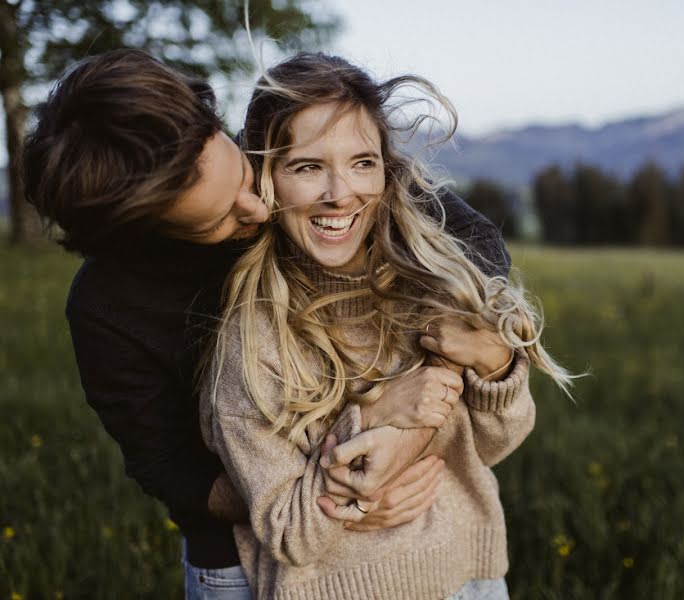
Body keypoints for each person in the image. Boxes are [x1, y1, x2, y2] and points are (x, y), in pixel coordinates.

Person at [22, 48, 511, 598]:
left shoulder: (290, 173)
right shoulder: (107, 310)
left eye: (242, 172)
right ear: (143, 230)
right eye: (222, 217)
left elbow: (473, 244)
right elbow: (168, 468)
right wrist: (342, 499)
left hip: (418, 537)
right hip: (244, 561)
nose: (258, 209)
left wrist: (407, 435)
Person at [200, 52, 572, 599]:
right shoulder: (252, 339)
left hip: (466, 578)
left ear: (386, 169)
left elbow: (491, 447)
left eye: (361, 162)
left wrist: (494, 363)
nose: (340, 192)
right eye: (307, 166)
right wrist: (372, 418)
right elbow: (287, 531)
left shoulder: (430, 285)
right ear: (267, 178)